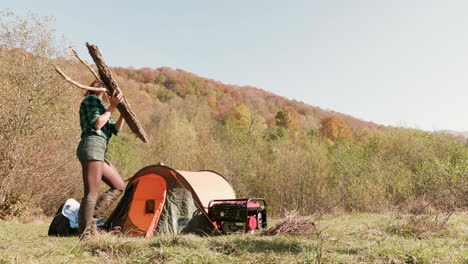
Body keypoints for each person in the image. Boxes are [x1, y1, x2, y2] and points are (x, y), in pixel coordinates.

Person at [76, 82, 126, 239]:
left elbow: (115, 129)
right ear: (101, 89)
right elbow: (98, 124)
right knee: (91, 192)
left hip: (100, 150)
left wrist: (123, 112)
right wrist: (112, 106)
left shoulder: (103, 108)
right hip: (91, 145)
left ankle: (92, 221)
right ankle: (84, 235)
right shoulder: (91, 100)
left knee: (119, 186)